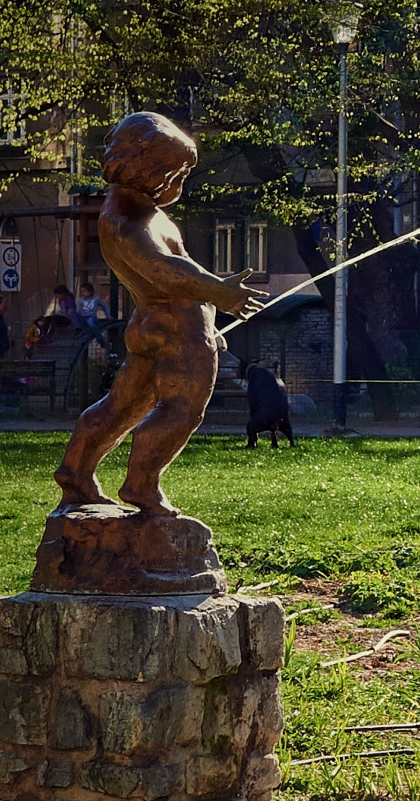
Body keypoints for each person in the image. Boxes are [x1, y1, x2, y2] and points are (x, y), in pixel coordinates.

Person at [53, 111, 263, 516]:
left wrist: (212, 314)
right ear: (145, 169)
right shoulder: (129, 224)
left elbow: (177, 271)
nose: (179, 182)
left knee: (122, 407)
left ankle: (75, 473)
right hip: (178, 332)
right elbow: (169, 273)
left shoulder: (137, 212)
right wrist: (218, 293)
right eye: (175, 173)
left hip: (151, 326)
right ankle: (142, 483)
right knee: (180, 410)